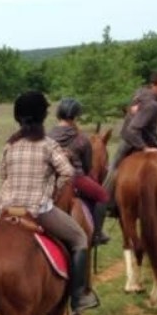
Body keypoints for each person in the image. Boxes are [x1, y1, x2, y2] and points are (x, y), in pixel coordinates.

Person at [0, 91, 100, 315]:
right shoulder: (47, 145)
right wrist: (53, 190)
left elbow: (2, 177)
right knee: (80, 239)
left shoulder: (9, 145)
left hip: (5, 210)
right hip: (37, 210)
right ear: (41, 116)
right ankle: (78, 296)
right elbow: (68, 172)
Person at [101, 71, 157, 219]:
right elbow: (133, 129)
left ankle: (106, 204)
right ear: (154, 86)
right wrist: (144, 148)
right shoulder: (152, 105)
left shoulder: (140, 93)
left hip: (136, 137)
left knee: (113, 169)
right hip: (135, 140)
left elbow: (132, 111)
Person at [49, 97, 110, 245]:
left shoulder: (47, 136)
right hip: (75, 178)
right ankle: (97, 233)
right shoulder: (82, 139)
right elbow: (88, 167)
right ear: (76, 116)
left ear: (58, 115)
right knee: (103, 195)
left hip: (51, 178)